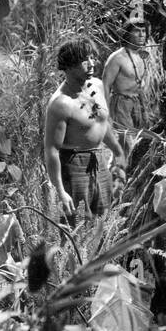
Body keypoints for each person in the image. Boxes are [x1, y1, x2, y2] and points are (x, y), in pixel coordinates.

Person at [44, 38, 126, 220]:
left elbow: (101, 124)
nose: (91, 64)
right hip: (74, 165)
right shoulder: (61, 103)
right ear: (69, 66)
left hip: (100, 160)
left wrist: (118, 151)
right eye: (84, 60)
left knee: (104, 218)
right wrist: (60, 190)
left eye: (92, 58)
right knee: (79, 223)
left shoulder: (96, 85)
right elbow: (52, 150)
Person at [100, 17, 151, 134]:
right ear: (127, 34)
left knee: (140, 140)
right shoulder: (117, 58)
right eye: (137, 31)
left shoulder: (141, 55)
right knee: (126, 141)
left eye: (143, 31)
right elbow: (105, 86)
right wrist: (106, 113)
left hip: (138, 102)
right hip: (121, 104)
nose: (141, 35)